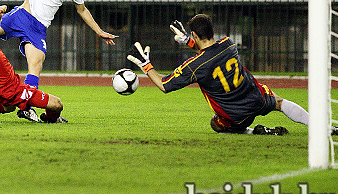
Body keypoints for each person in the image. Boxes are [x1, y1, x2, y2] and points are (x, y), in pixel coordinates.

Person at [127, 14, 338, 135]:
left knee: (214, 123)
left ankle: (253, 131)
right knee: (279, 103)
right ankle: (322, 127)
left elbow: (165, 85)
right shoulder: (228, 44)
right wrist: (189, 42)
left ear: (194, 34)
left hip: (235, 117)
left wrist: (146, 65)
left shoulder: (195, 65)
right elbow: (208, 51)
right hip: (256, 99)